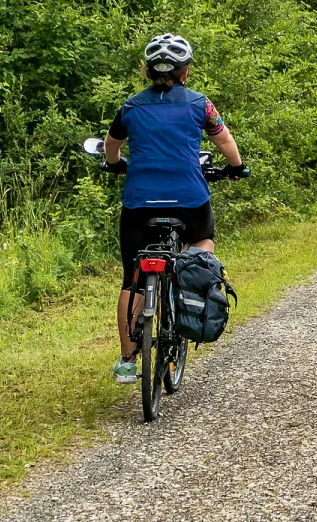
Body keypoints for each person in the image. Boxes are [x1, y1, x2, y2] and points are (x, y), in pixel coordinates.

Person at [102, 33, 247, 383]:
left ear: (148, 72)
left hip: (139, 203)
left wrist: (116, 163)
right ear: (185, 71)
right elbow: (224, 140)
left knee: (130, 279)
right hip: (190, 201)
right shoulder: (200, 104)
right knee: (202, 245)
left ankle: (126, 360)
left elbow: (111, 145)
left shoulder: (131, 107)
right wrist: (236, 168)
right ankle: (187, 298)